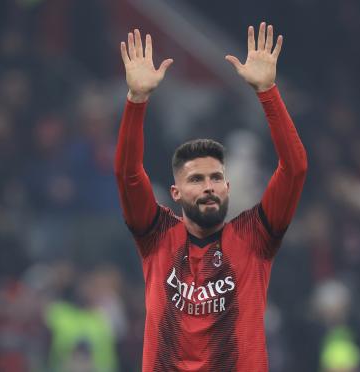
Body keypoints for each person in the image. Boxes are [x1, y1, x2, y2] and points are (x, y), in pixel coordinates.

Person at [114, 23, 307, 371]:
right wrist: (137, 101)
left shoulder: (253, 238)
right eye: (196, 179)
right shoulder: (157, 236)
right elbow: (128, 174)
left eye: (216, 177)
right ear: (175, 192)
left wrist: (267, 91)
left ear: (227, 187)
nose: (208, 186)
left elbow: (294, 170)